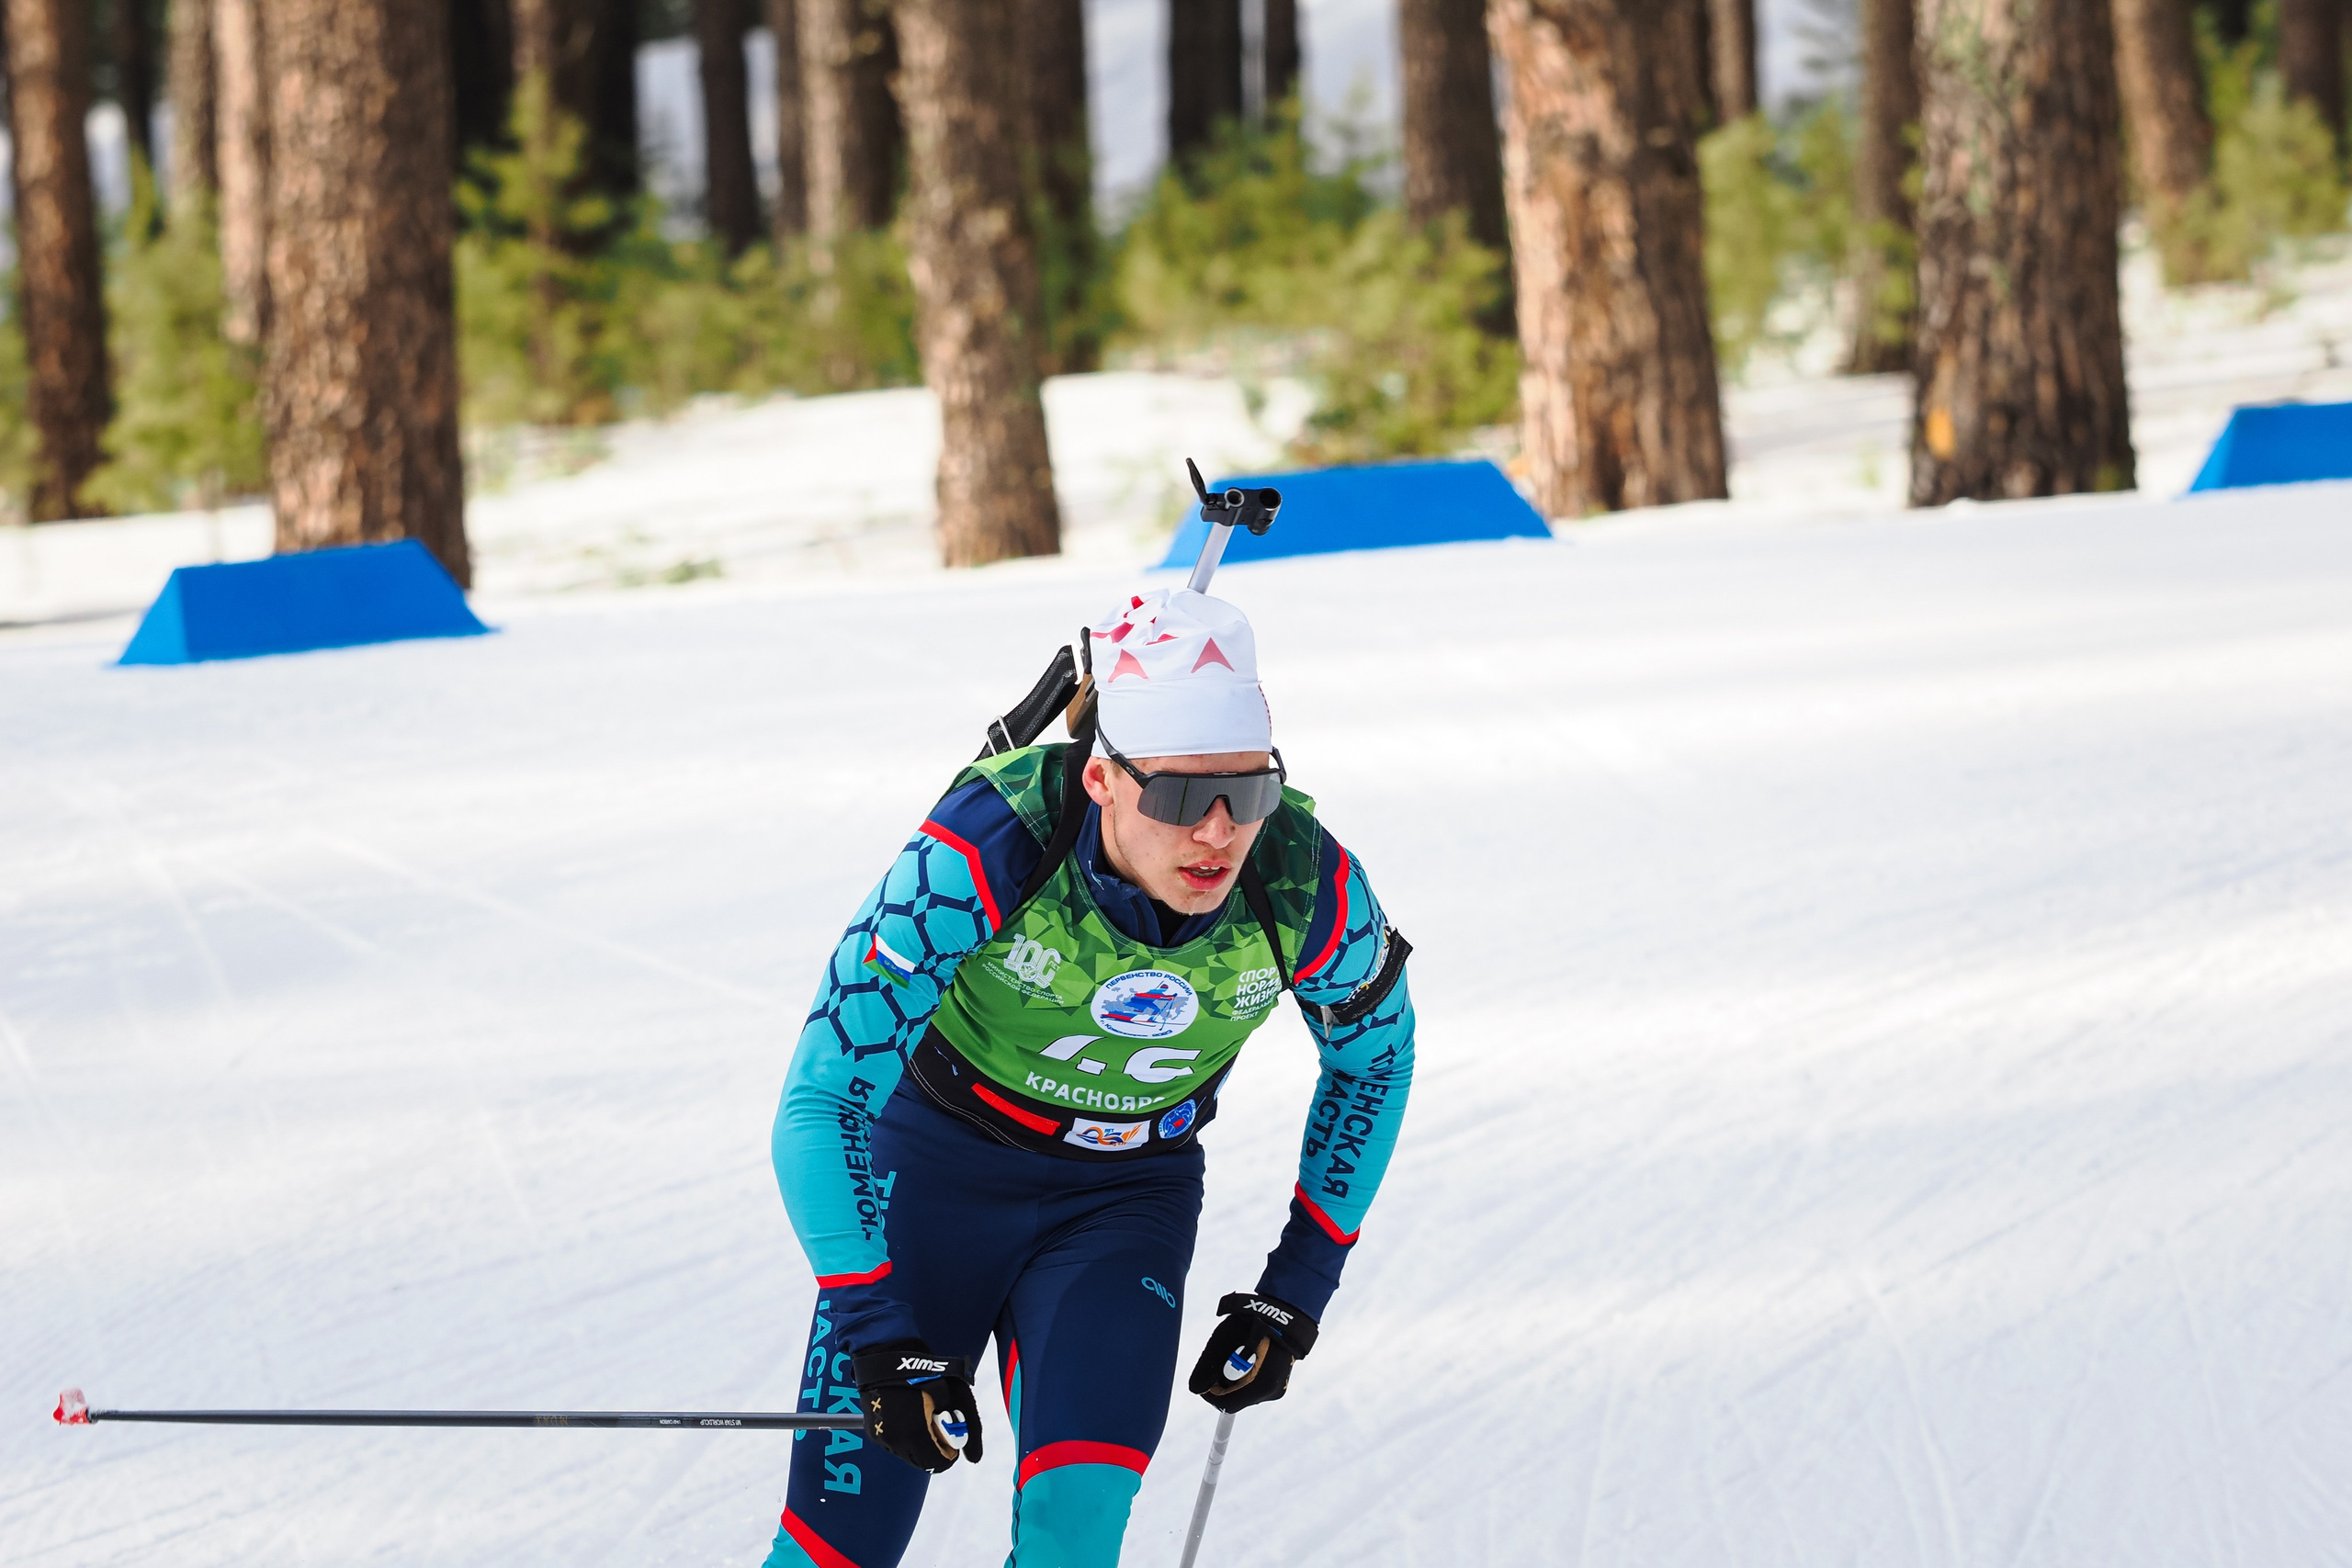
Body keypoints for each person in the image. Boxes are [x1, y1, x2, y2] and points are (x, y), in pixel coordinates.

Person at [763, 587, 1416, 1568]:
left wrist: (1296, 1289)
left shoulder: (1302, 882)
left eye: (1252, 789)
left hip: (1122, 1200)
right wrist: (872, 1324)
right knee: (837, 1552)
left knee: (1076, 1540)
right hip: (933, 1175)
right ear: (1103, 779)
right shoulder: (989, 845)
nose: (1220, 832)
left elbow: (1376, 1062)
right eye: (1185, 797)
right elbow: (824, 1097)